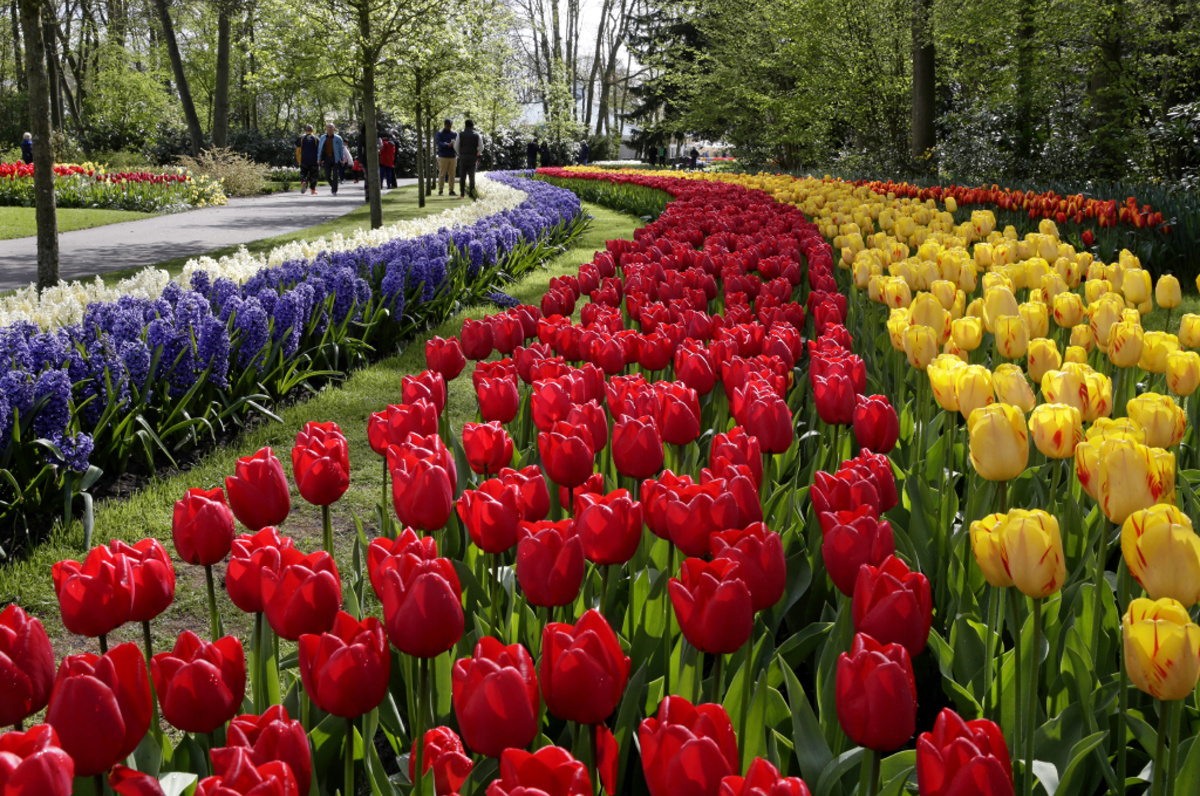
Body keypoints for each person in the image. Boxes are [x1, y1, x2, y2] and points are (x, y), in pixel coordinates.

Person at [455, 119, 482, 200]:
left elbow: (456, 146)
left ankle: (462, 194)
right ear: (473, 125)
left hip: (463, 158)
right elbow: (481, 147)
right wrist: (477, 153)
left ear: (465, 125)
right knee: (472, 177)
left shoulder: (460, 134)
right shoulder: (477, 135)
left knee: (462, 177)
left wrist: (460, 154)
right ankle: (471, 193)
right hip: (473, 158)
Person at [317, 123, 344, 195]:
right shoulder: (323, 137)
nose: (329, 129)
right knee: (327, 176)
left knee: (335, 175)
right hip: (326, 158)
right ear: (326, 128)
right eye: (328, 127)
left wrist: (342, 158)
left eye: (331, 127)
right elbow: (320, 149)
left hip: (335, 158)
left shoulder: (338, 138)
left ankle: (334, 190)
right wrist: (319, 159)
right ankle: (334, 186)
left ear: (334, 129)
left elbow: (341, 149)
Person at [295, 124, 321, 194]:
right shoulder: (316, 138)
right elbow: (320, 149)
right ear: (312, 130)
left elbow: (298, 150)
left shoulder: (301, 138)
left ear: (306, 130)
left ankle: (304, 181)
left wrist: (298, 159)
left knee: (303, 173)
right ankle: (313, 190)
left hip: (304, 160)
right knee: (314, 175)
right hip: (314, 160)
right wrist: (320, 159)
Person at [436, 119, 458, 196]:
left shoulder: (454, 133)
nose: (448, 127)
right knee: (442, 174)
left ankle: (451, 190)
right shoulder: (440, 133)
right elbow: (438, 142)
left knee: (452, 175)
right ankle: (440, 190)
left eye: (450, 126)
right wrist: (446, 145)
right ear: (444, 125)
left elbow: (458, 142)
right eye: (447, 125)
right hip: (443, 156)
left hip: (452, 156)